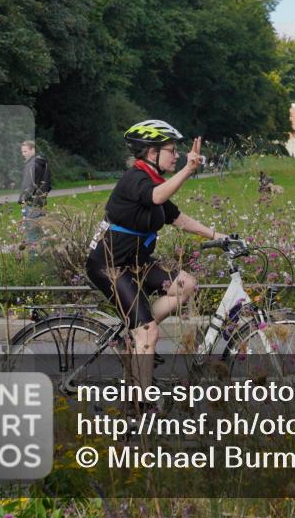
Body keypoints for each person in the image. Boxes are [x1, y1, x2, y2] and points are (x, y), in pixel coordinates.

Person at [85, 120, 231, 402]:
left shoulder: (154, 180)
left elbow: (178, 218)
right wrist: (189, 170)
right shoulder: (136, 179)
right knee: (149, 332)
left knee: (186, 284)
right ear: (152, 153)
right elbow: (156, 197)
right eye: (171, 150)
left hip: (137, 263)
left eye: (177, 152)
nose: (176, 155)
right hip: (109, 265)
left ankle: (138, 334)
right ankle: (141, 409)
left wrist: (218, 235)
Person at [18, 140, 51, 255]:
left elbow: (28, 186)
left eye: (26, 151)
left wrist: (21, 199)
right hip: (41, 203)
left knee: (32, 234)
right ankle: (45, 258)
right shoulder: (43, 163)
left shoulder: (32, 165)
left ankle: (34, 260)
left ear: (33, 150)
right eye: (22, 151)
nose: (23, 154)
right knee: (42, 233)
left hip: (31, 204)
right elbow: (48, 185)